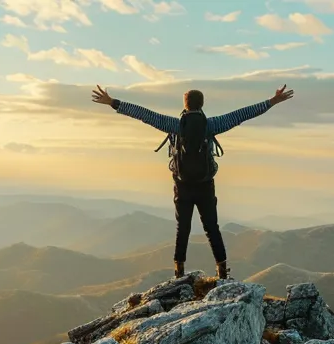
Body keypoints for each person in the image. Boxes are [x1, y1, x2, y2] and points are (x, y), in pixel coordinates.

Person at [91, 84, 296, 279]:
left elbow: (144, 115)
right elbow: (243, 114)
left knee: (183, 228)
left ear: (185, 104)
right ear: (202, 104)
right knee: (211, 227)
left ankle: (179, 271)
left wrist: (112, 102)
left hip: (182, 184)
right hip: (205, 184)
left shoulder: (175, 125)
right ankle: (222, 270)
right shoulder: (212, 125)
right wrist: (272, 101)